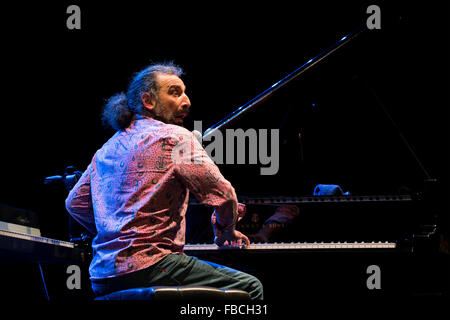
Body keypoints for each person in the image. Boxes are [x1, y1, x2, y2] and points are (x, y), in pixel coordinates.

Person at [65, 62, 263, 300]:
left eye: (185, 92)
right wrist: (227, 231)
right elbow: (224, 194)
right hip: (154, 266)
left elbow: (74, 202)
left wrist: (117, 231)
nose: (187, 101)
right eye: (175, 92)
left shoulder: (107, 147)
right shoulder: (175, 137)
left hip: (102, 277)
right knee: (250, 288)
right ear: (148, 101)